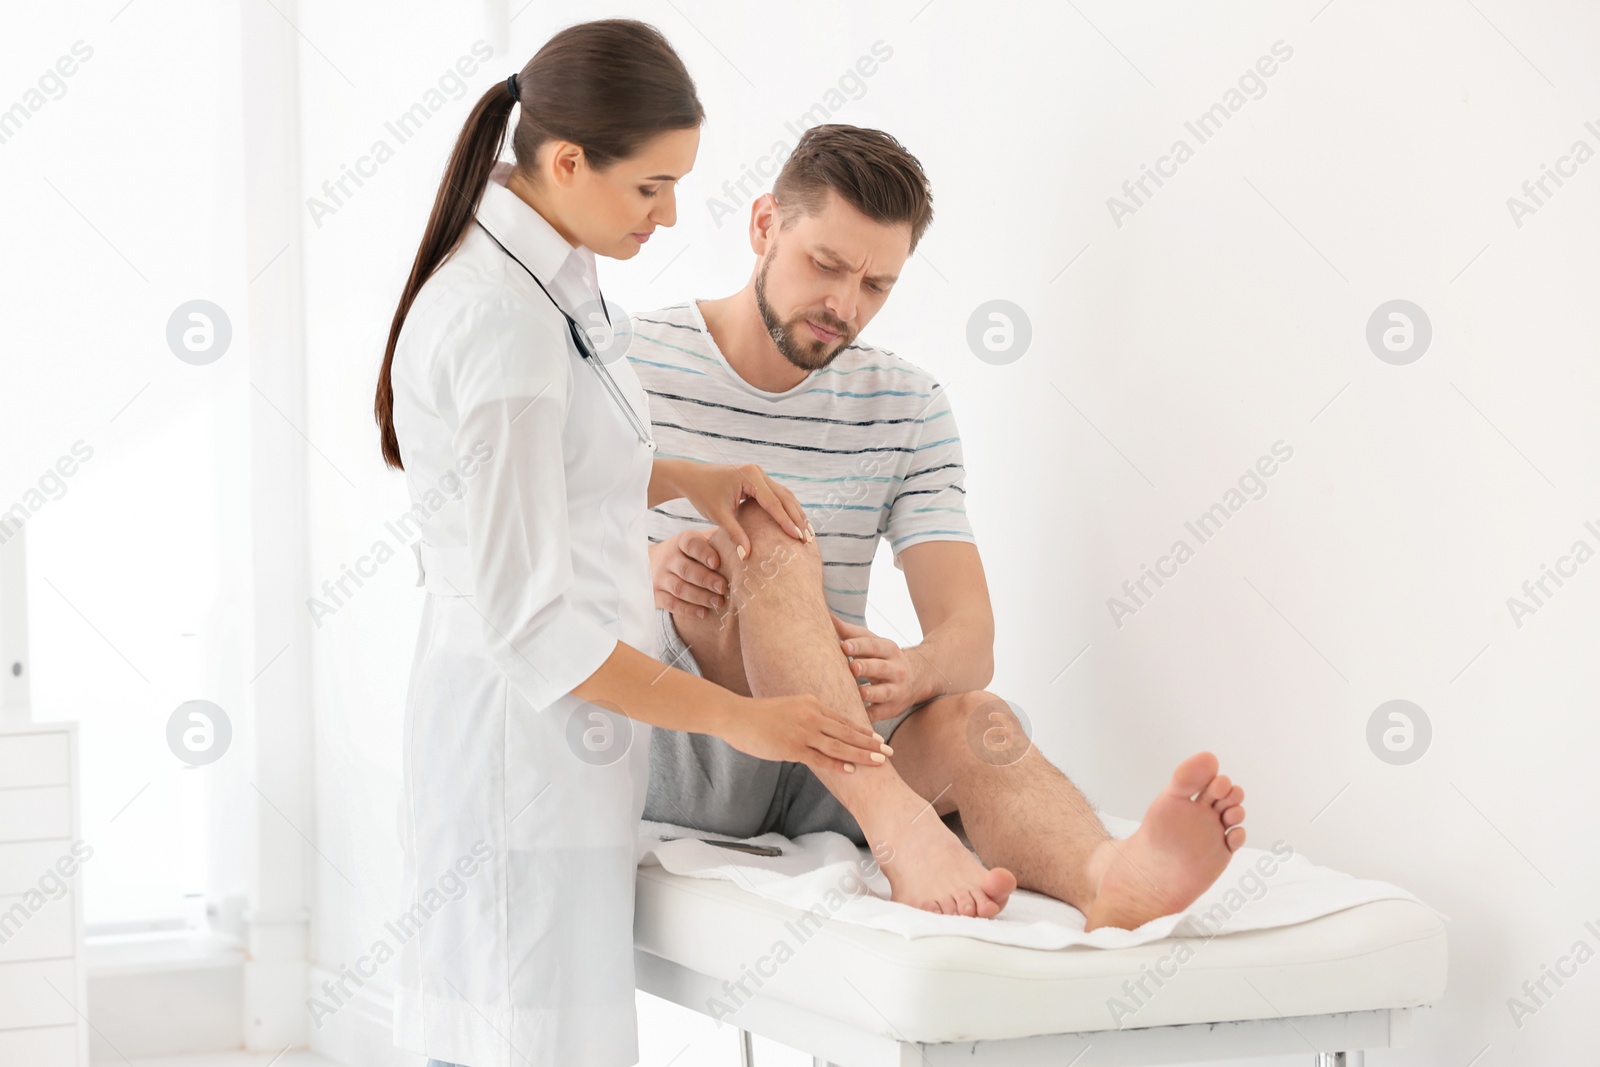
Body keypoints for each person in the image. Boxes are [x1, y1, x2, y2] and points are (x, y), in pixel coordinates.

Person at [372, 25, 892, 1067]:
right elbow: (535, 628)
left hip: (568, 752)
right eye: (651, 188)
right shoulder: (500, 322)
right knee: (515, 1034)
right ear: (568, 162)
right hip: (519, 752)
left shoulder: (550, 274)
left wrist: (691, 478)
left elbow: (553, 466)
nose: (665, 217)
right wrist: (746, 720)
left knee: (540, 1027)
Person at [634, 124, 1247, 927]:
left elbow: (970, 637)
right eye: (826, 265)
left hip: (827, 753)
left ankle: (1109, 878)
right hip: (689, 738)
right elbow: (528, 563)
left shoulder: (907, 404)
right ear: (763, 226)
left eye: (876, 284)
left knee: (978, 718)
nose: (844, 307)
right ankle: (898, 825)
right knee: (761, 520)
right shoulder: (631, 361)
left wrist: (917, 670)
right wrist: (646, 566)